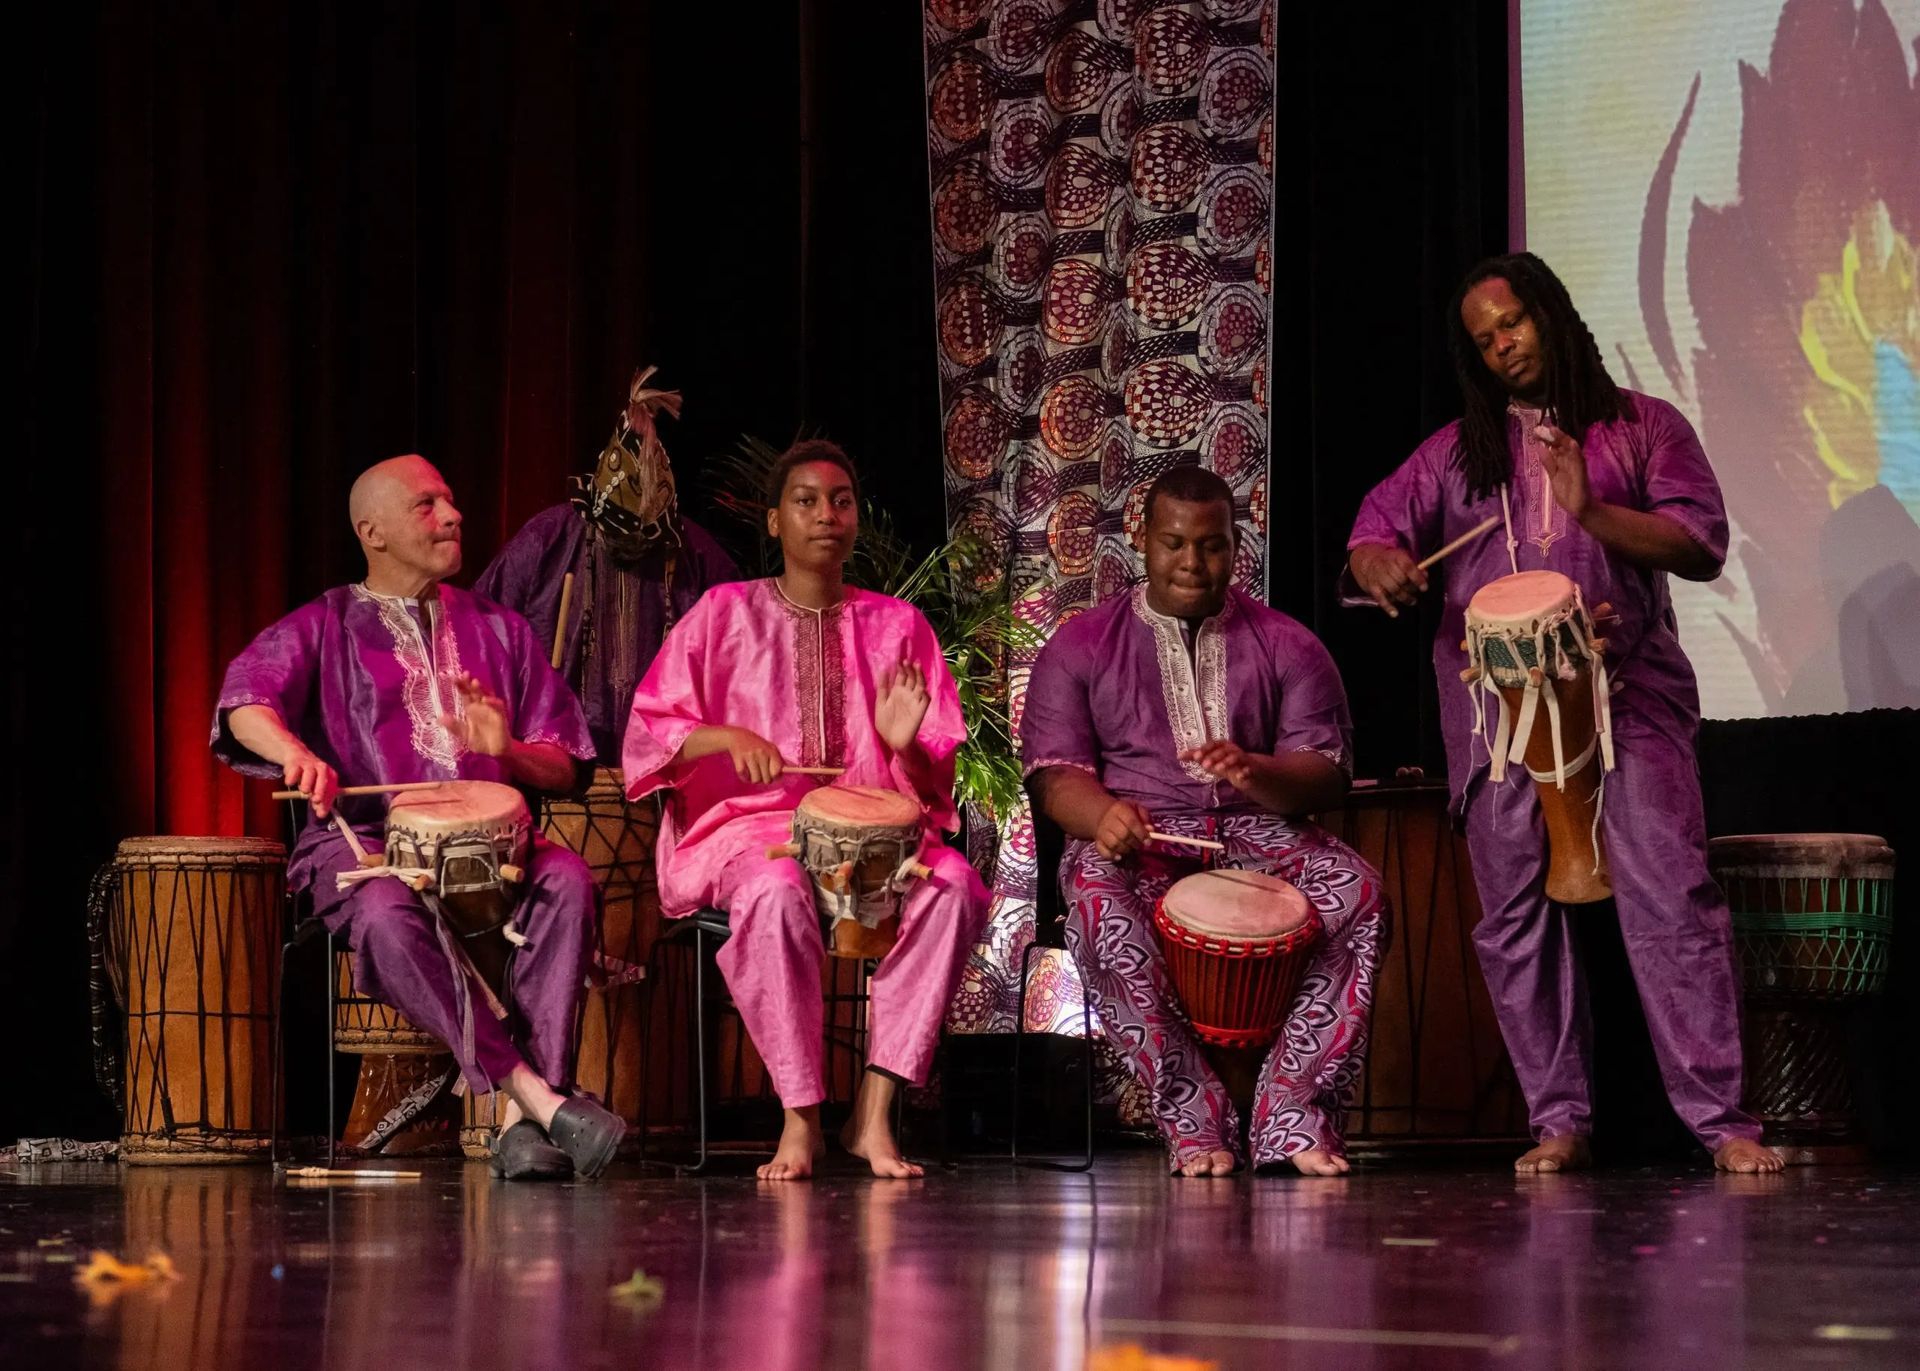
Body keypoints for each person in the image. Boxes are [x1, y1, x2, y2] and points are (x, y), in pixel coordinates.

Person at [1343, 252, 1780, 1174]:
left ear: (1549, 313)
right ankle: (1560, 1120)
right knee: (1512, 918)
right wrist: (1376, 559)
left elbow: (1700, 544)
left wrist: (1593, 510)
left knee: (1671, 898)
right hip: (1493, 719)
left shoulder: (1642, 428)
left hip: (1629, 699)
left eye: (1514, 323)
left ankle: (1723, 1122)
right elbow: (1376, 530)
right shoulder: (1458, 454)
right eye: (1485, 339)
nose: (1503, 346)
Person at [211, 455, 626, 1180]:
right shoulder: (325, 622)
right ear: (372, 530)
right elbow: (245, 699)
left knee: (568, 881)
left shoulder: (501, 631)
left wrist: (510, 750)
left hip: (501, 846)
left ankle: (522, 1124)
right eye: (427, 504)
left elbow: (564, 765)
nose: (454, 514)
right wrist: (295, 753)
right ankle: (537, 1096)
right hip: (365, 843)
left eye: (453, 500)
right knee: (381, 910)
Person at [623, 439, 991, 1180]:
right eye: (806, 500)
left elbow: (933, 770)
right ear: (773, 521)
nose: (827, 514)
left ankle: (874, 1111)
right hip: (751, 831)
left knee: (955, 887)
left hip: (879, 837)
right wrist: (726, 736)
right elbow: (649, 728)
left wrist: (903, 745)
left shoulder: (898, 627)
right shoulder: (720, 614)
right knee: (776, 888)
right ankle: (800, 1116)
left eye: (841, 500)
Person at [1023, 467, 1388, 1177]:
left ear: (1236, 544)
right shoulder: (1083, 644)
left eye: (1213, 546)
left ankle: (1291, 1111)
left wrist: (1258, 771)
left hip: (1258, 832)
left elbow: (1327, 771)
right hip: (1139, 836)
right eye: (1174, 544)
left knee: (1358, 891)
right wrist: (1104, 816)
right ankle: (1192, 1119)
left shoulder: (1288, 642)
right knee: (1099, 904)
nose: (1193, 563)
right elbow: (1053, 773)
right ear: (1140, 538)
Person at [475, 365, 737, 765]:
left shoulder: (695, 552)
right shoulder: (549, 539)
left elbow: (737, 653)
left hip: (667, 767)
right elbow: (482, 629)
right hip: (557, 766)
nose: (629, 547)